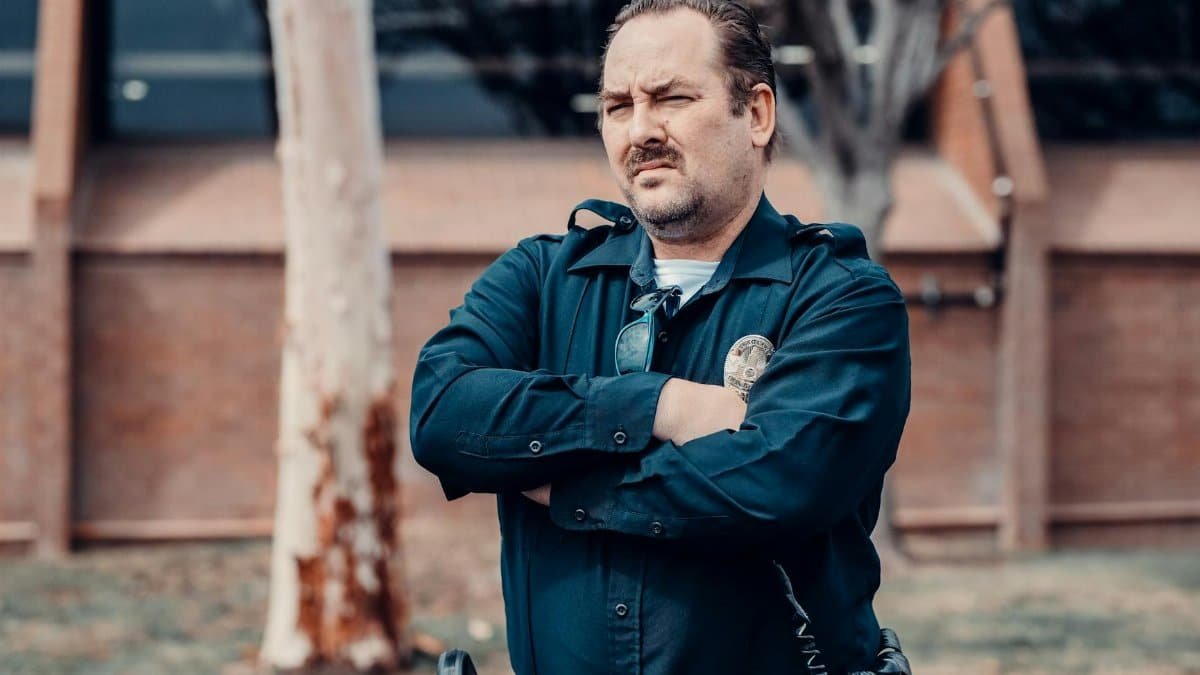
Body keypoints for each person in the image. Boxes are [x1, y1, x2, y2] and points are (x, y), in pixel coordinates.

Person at [410, 1, 912, 673]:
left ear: (756, 113)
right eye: (617, 106)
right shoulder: (541, 275)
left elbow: (779, 485)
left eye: (671, 98)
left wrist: (565, 486)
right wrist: (660, 407)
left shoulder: (844, 298)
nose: (640, 129)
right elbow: (442, 414)